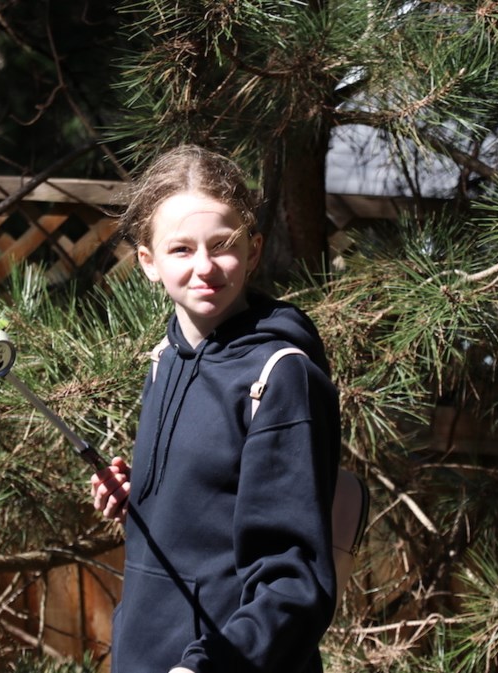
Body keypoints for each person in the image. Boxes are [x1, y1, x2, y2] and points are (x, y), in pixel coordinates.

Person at [91, 144, 341, 673]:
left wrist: (212, 664)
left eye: (222, 245)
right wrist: (148, 493)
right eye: (181, 249)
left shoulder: (279, 375)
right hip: (141, 654)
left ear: (253, 248)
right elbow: (213, 505)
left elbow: (294, 580)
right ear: (148, 263)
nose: (204, 267)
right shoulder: (165, 357)